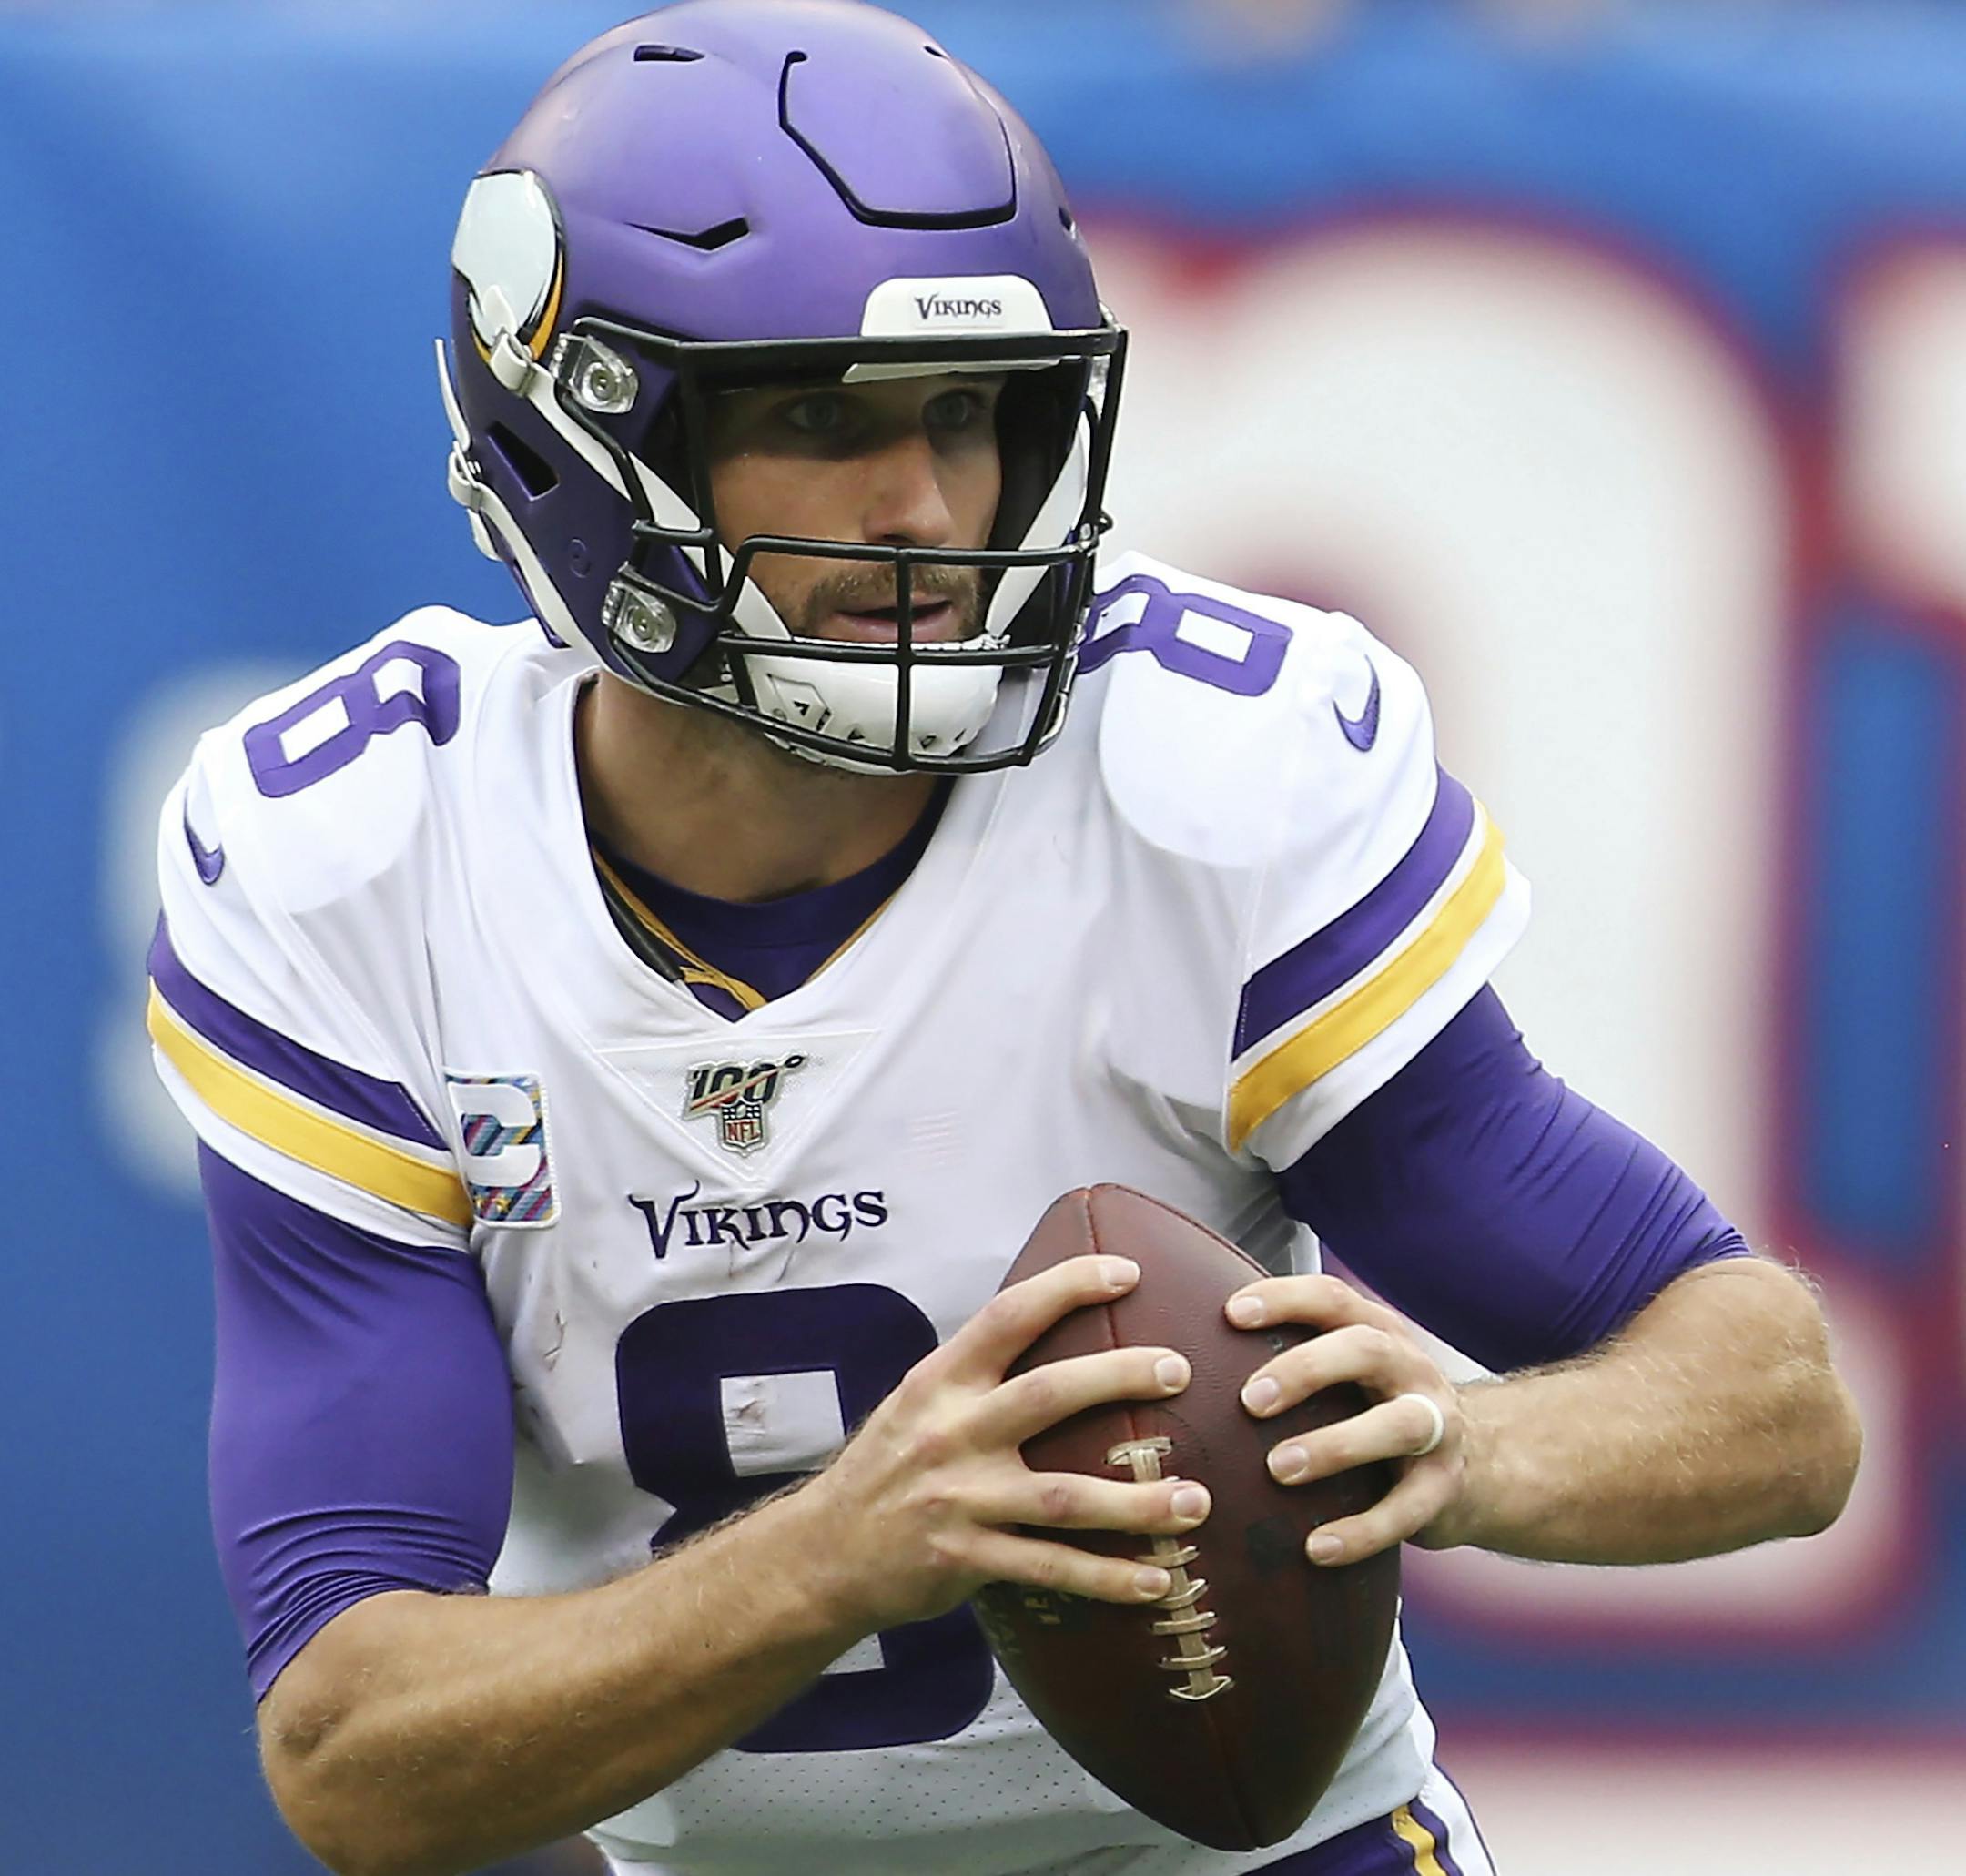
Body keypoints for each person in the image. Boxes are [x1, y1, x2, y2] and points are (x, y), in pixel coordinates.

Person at [145, 5, 1862, 1874]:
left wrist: (1464, 1448)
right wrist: (846, 1546)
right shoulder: (365, 865)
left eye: (966, 414)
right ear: (577, 440)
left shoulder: (1194, 789)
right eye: (820, 418)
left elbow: (1774, 1399)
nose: (925, 508)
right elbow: (355, 1757)